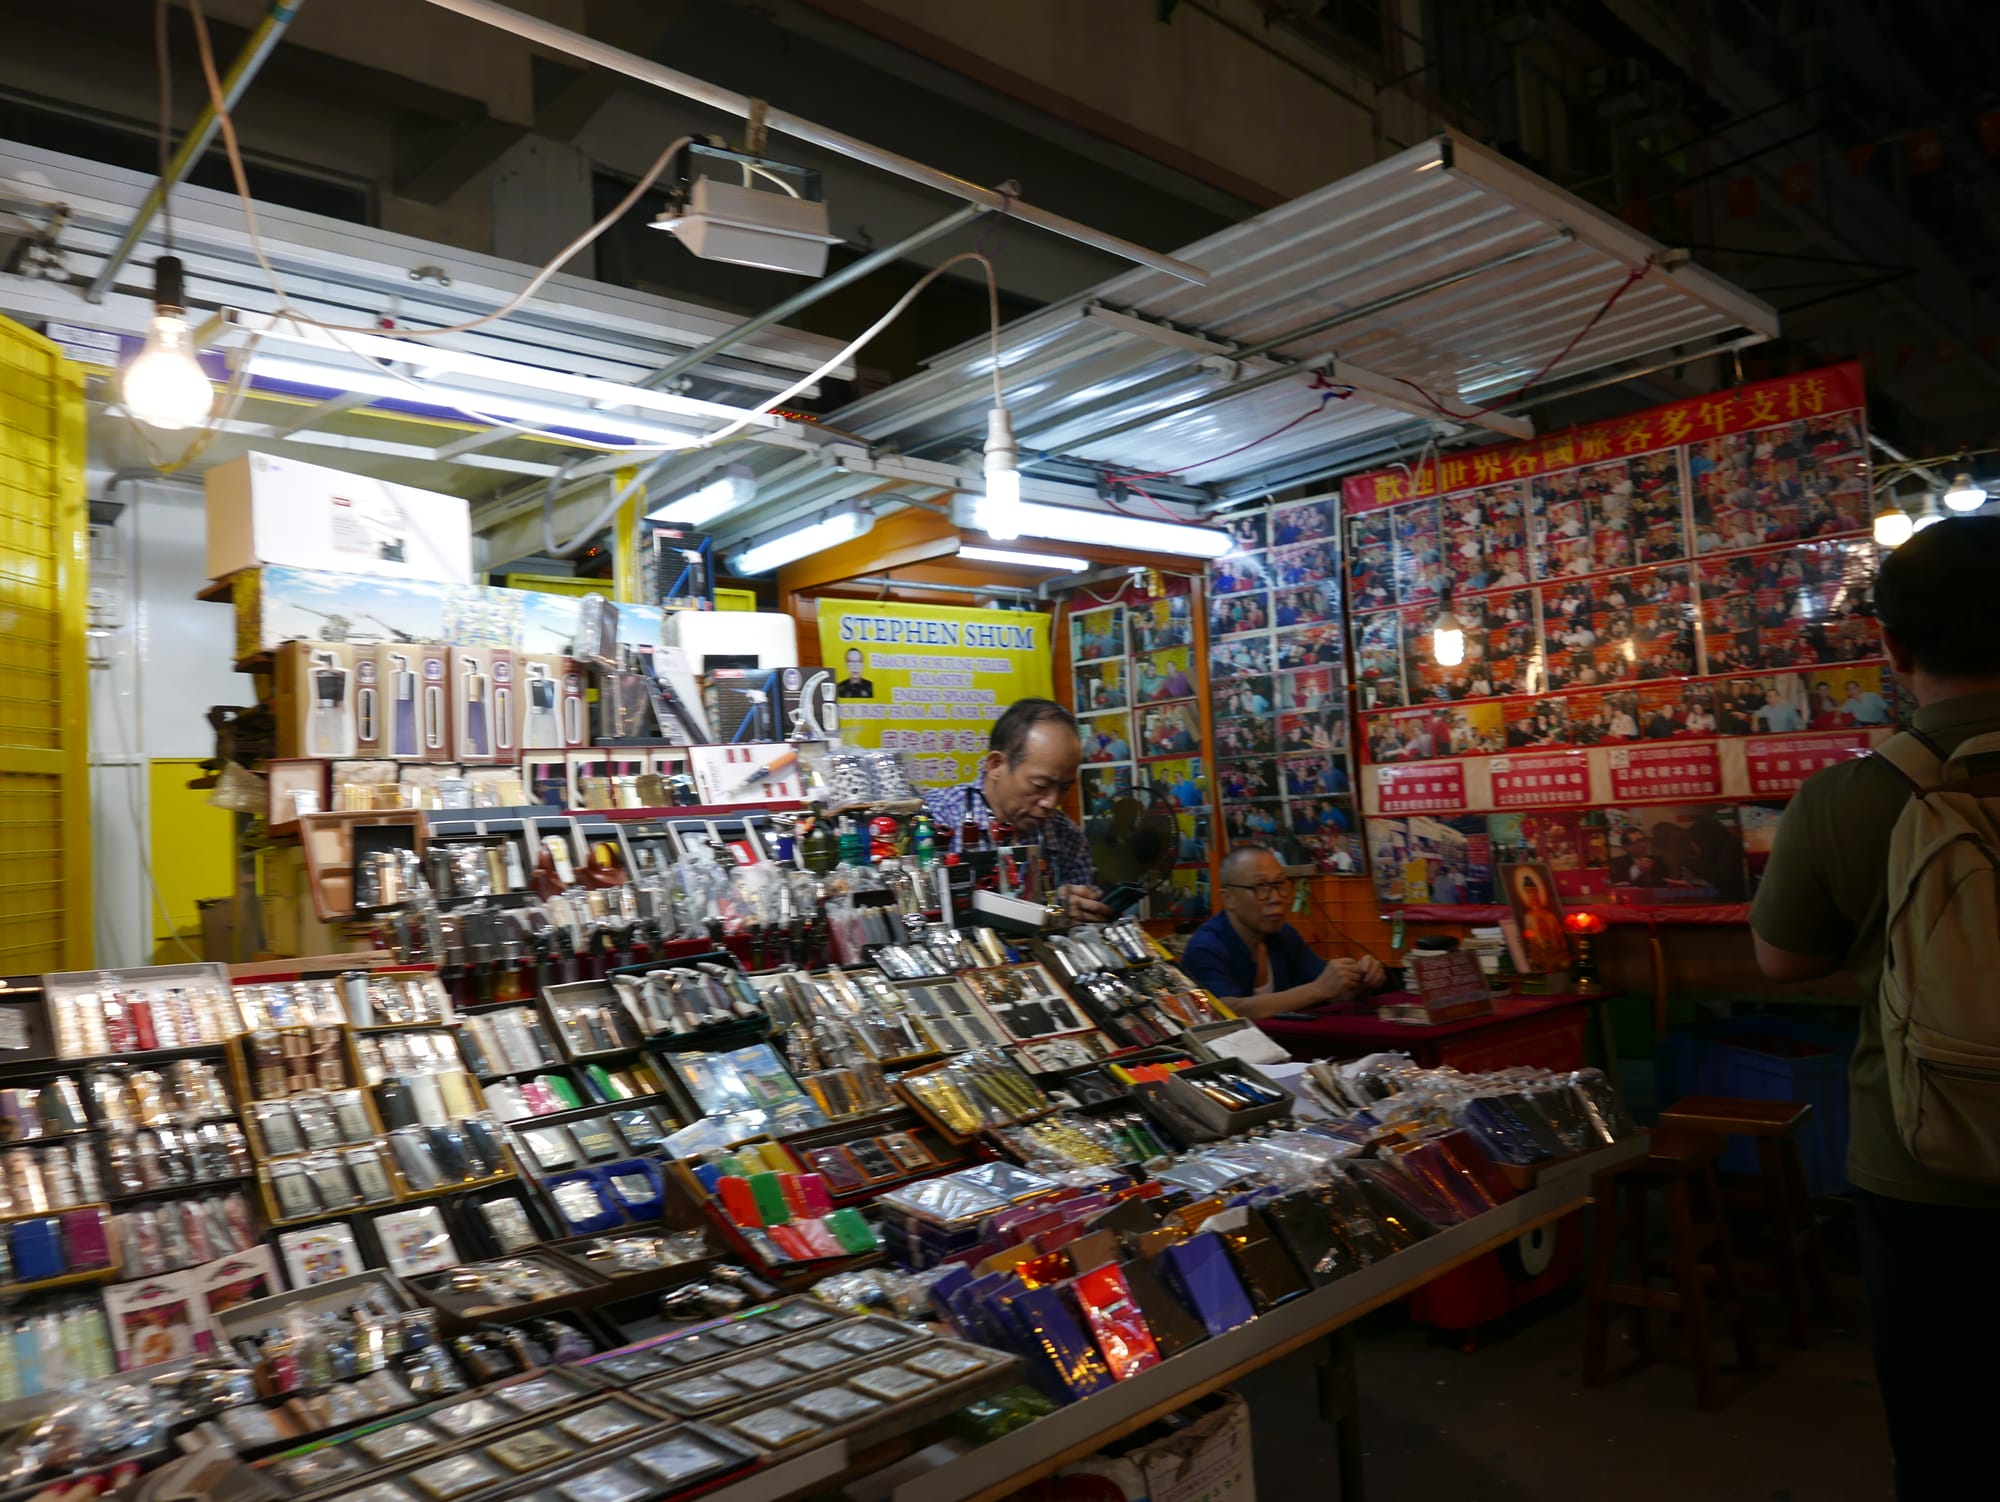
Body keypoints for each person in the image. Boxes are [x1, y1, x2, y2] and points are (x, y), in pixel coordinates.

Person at [1749, 518, 2000, 1500]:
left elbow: (1779, 956)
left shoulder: (1851, 796)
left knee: (1944, 1433)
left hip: (1919, 1160)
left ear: (1891, 648)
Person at [921, 698, 1110, 922]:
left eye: (1064, 788)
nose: (1051, 802)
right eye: (1039, 786)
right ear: (996, 765)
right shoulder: (937, 818)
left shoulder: (1065, 836)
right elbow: (925, 915)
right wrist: (1047, 908)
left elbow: (1077, 926)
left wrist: (1080, 912)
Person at [1180, 844, 1386, 1021]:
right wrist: (1319, 988)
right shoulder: (1205, 947)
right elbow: (1225, 1010)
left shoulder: (1283, 936)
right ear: (1228, 898)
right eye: (1260, 887)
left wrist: (1360, 979)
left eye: (1279, 885)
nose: (1276, 898)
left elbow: (1329, 992)